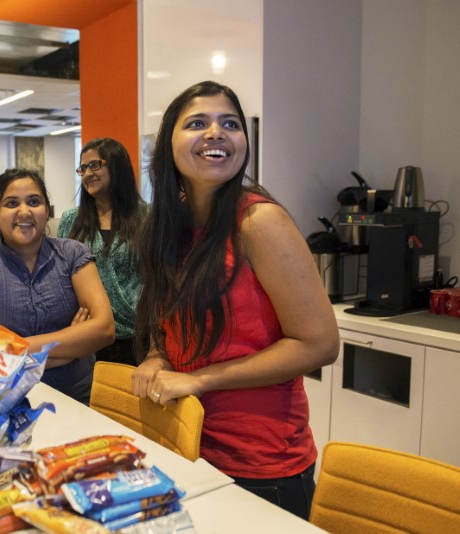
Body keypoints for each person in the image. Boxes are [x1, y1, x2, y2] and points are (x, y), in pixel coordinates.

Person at [131, 81, 339, 519]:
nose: (216, 133)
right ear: (169, 143)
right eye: (197, 123)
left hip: (262, 465)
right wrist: (155, 356)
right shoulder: (170, 227)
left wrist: (201, 379)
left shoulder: (259, 222)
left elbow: (318, 344)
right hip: (185, 442)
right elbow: (163, 317)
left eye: (230, 123)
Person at [0, 168, 115, 404]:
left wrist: (14, 345)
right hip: (9, 401)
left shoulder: (72, 254)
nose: (24, 211)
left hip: (80, 399)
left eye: (34, 201)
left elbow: (104, 330)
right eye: (11, 203)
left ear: (46, 209)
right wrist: (71, 346)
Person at [58, 138, 147, 365]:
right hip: (88, 333)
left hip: (139, 335)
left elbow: (162, 275)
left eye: (95, 165)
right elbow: (61, 276)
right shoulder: (72, 220)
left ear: (117, 166)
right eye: (83, 168)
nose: (88, 173)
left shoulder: (147, 217)